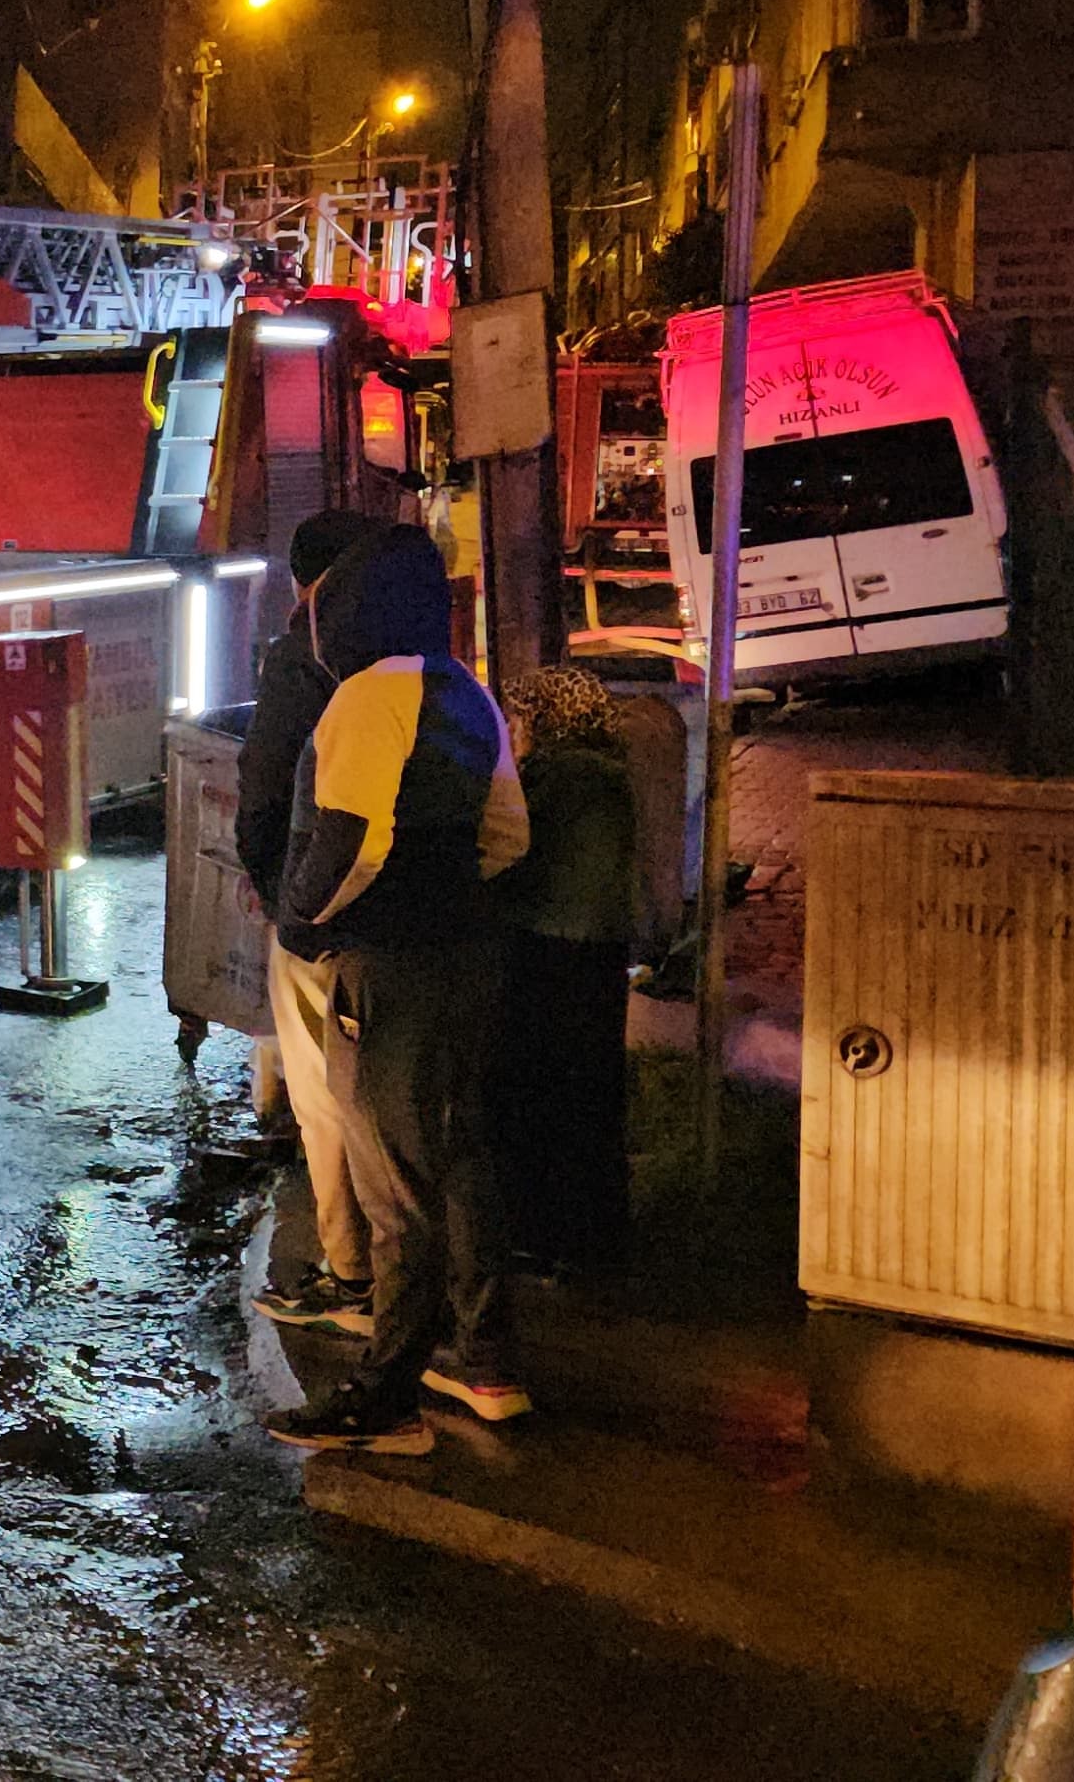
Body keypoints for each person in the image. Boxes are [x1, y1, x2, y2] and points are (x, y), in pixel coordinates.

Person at [262, 524, 533, 1454]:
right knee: (460, 1157)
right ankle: (485, 1359)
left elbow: (352, 840)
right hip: (472, 955)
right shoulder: (469, 694)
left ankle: (386, 1397)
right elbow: (507, 835)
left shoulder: (366, 697)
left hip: (388, 968)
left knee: (391, 1187)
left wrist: (301, 922)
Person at [236, 508, 384, 1339]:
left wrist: (284, 903)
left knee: (325, 1096)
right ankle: (398, 1270)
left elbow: (264, 788)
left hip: (319, 917)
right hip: (396, 921)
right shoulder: (417, 664)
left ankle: (352, 1274)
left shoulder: (308, 658)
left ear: (304, 584)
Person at [488, 665, 640, 1276]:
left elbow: (510, 851)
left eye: (519, 718)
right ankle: (594, 1239)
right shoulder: (608, 773)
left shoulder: (557, 777)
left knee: (540, 1095)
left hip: (551, 955)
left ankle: (548, 1236)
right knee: (592, 1098)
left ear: (545, 720)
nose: (512, 731)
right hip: (599, 954)